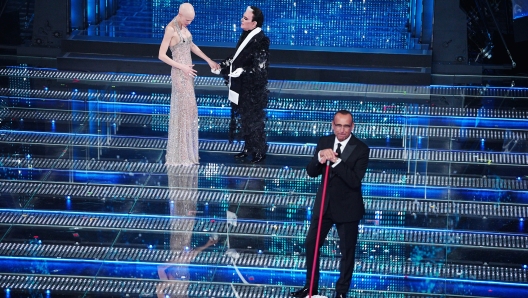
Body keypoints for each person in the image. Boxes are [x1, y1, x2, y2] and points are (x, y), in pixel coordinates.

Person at [291, 110, 370, 298]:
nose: (342, 130)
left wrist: (335, 161)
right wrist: (320, 157)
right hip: (324, 206)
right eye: (338, 125)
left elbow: (354, 181)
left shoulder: (361, 148)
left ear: (352, 127)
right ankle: (310, 287)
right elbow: (311, 172)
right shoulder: (324, 142)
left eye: (346, 126)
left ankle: (341, 292)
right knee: (311, 245)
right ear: (332, 125)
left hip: (348, 209)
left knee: (347, 252)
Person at [158, 3, 219, 166]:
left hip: (188, 74)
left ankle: (188, 152)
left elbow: (190, 45)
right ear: (180, 14)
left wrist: (208, 60)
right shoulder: (171, 29)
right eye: (187, 20)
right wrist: (182, 66)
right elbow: (161, 55)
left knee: (190, 110)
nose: (189, 23)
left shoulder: (184, 28)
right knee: (184, 110)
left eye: (191, 20)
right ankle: (180, 155)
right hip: (180, 73)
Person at [217, 6, 270, 163]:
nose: (242, 19)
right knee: (245, 118)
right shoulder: (246, 35)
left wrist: (242, 71)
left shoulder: (261, 40)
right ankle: (248, 147)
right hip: (242, 86)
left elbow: (260, 67)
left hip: (253, 88)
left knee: (253, 119)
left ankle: (259, 151)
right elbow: (236, 57)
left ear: (254, 23)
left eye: (246, 18)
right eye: (243, 17)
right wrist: (222, 66)